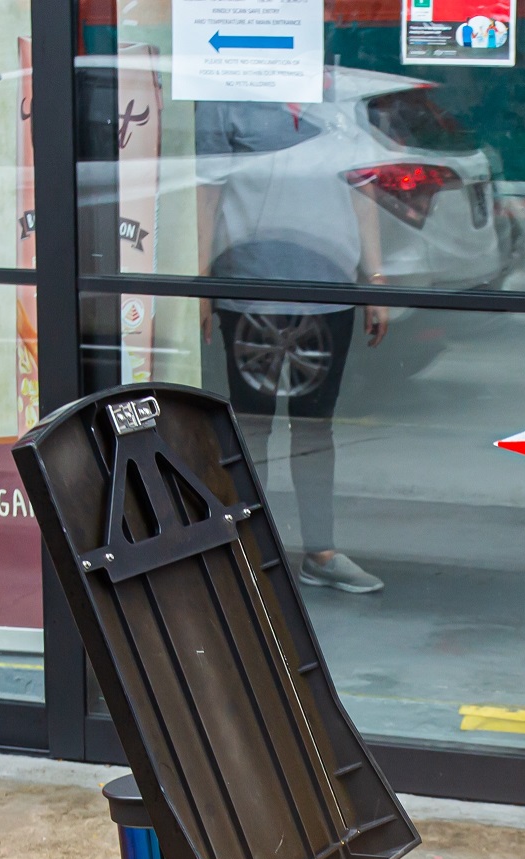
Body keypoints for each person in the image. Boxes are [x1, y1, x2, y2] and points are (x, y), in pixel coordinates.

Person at [196, 82, 392, 594]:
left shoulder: (340, 94)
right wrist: (198, 282)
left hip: (327, 290)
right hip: (251, 287)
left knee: (314, 428)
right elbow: (207, 190)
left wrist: (375, 279)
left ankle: (320, 552)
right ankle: (247, 552)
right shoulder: (228, 90)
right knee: (251, 426)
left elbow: (362, 185)